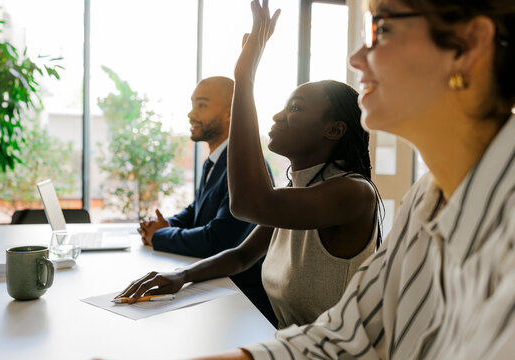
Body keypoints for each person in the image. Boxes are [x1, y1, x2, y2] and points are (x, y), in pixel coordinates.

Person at [194, 0, 515, 359]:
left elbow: (252, 203)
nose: (356, 58)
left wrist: (245, 76)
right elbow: (346, 335)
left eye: (381, 29)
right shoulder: (424, 200)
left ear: (470, 44)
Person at [116, 7, 383, 330]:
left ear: (335, 130)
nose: (277, 116)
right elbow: (242, 256)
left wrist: (245, 76)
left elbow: (249, 204)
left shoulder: (354, 193)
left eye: (295, 108)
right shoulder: (296, 193)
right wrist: (181, 276)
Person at [137, 76, 277, 325]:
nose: (191, 114)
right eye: (193, 104)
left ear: (230, 113)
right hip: (214, 286)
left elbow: (218, 240)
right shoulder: (215, 161)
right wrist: (165, 223)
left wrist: (159, 236)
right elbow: (197, 211)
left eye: (201, 105)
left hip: (241, 302)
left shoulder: (244, 166)